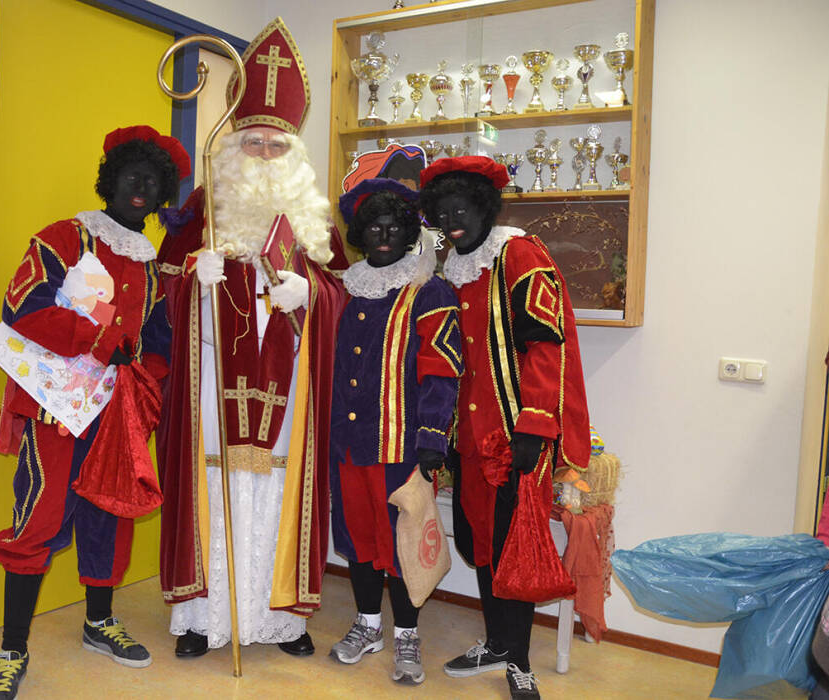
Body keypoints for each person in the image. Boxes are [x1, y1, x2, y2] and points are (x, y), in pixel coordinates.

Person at [156, 17, 346, 659]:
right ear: (234, 144)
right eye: (254, 142)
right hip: (213, 381)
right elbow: (160, 295)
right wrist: (192, 279)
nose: (264, 155)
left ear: (294, 154)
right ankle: (202, 619)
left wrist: (311, 294)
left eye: (276, 146)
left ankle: (281, 619)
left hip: (289, 382)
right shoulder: (202, 211)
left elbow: (344, 297)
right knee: (214, 486)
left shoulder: (316, 222)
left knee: (279, 486)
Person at [0, 125, 188, 700]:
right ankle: (12, 650)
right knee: (38, 519)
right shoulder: (64, 238)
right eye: (131, 174)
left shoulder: (152, 267)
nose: (141, 187)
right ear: (109, 180)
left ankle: (99, 622)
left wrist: (146, 380)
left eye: (154, 180)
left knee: (108, 515)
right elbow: (22, 307)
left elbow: (159, 342)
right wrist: (95, 340)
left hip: (115, 416)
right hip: (55, 410)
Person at [419, 156, 590, 700]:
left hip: (514, 437)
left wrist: (534, 426)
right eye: (443, 214)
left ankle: (519, 662)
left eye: (462, 210)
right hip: (469, 440)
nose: (453, 222)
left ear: (486, 207)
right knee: (483, 545)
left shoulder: (518, 255)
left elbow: (546, 344)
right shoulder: (454, 267)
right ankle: (497, 643)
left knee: (514, 548)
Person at [327, 178, 461, 685]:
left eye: (393, 227)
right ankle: (368, 625)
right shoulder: (346, 288)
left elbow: (442, 370)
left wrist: (432, 439)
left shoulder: (429, 290)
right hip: (348, 443)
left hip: (400, 446)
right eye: (373, 227)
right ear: (360, 234)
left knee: (403, 542)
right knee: (359, 539)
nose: (383, 235)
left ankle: (407, 634)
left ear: (409, 234)